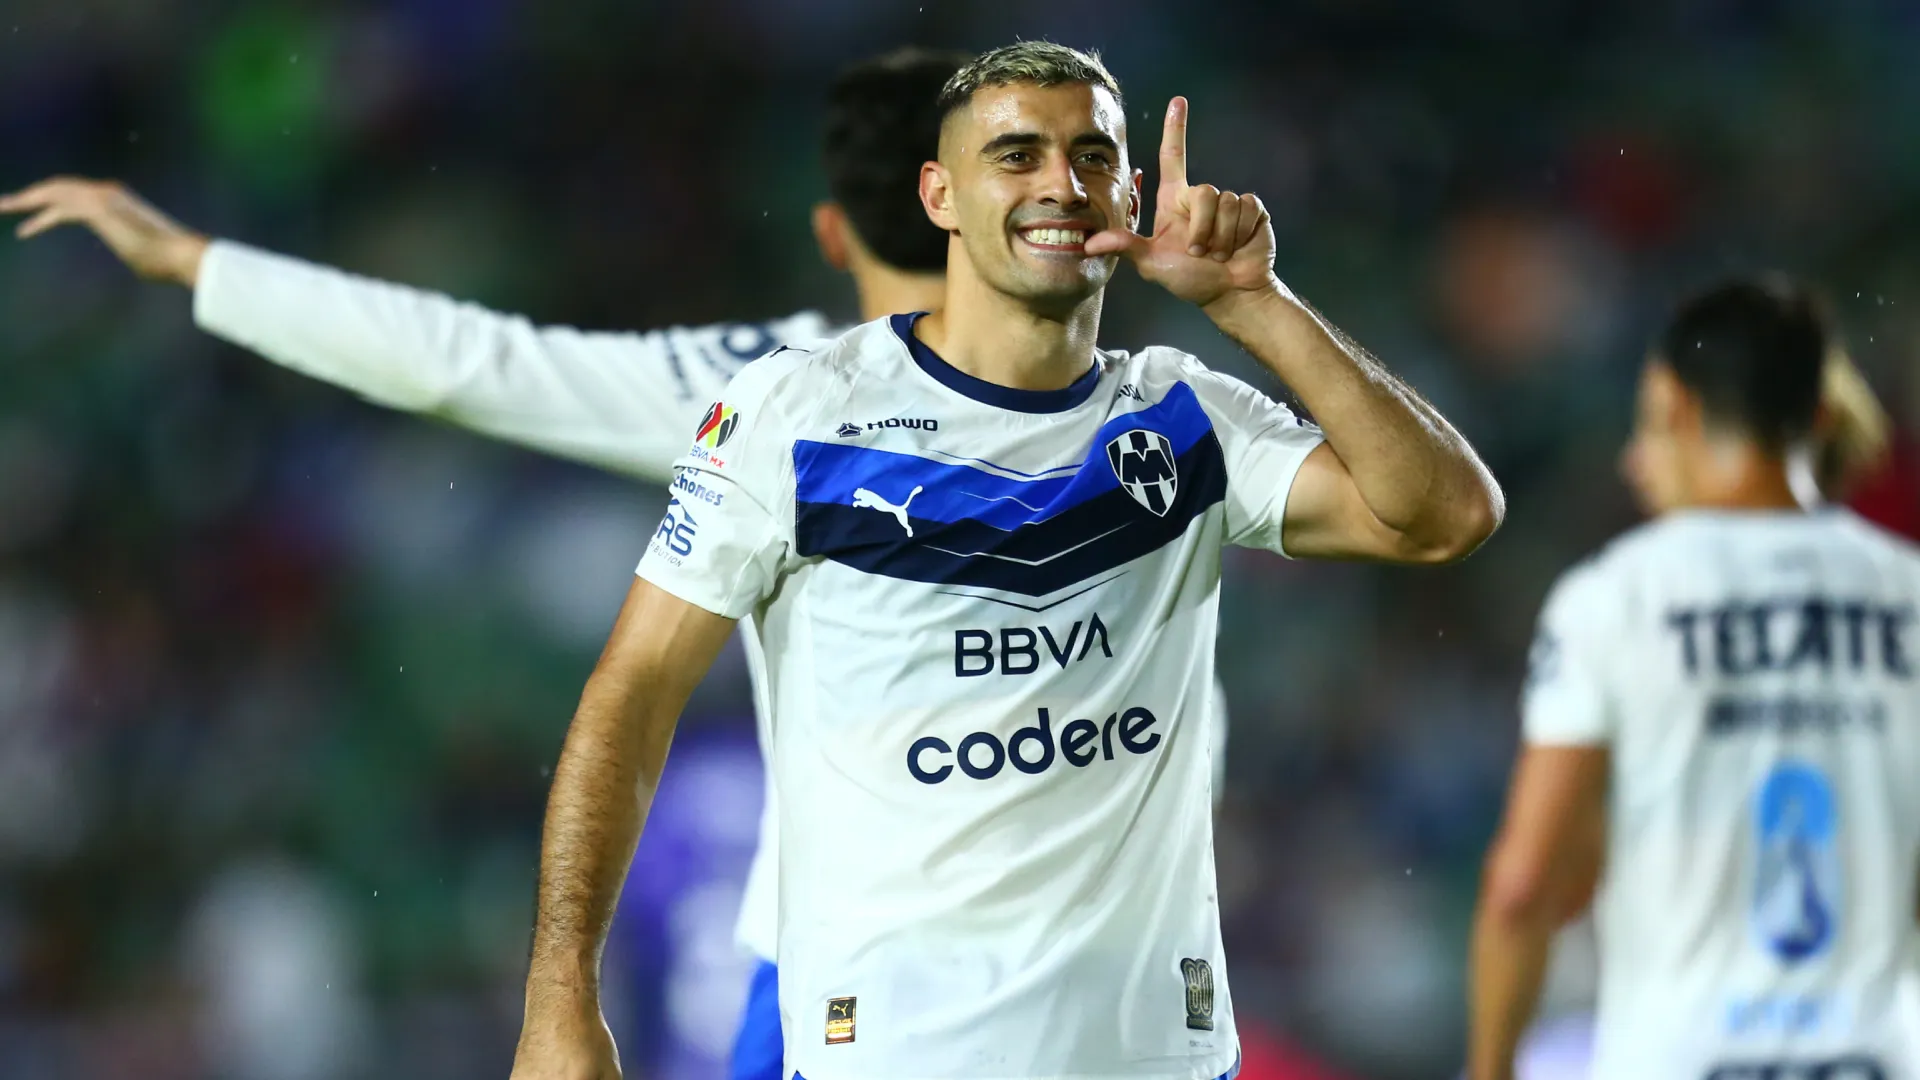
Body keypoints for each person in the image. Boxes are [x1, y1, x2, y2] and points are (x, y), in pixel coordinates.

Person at [511, 41, 1501, 1080]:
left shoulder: (1182, 412)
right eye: (1016, 155)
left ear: (1130, 187)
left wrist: (1255, 302)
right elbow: (633, 692)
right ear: (939, 195)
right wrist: (560, 997)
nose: (1061, 186)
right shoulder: (800, 414)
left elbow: (1441, 515)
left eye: (1092, 155)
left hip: (1152, 1057)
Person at [0, 46, 972, 1080]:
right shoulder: (1142, 407)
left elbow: (473, 360)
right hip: (996, 939)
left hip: (837, 955)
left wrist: (203, 264)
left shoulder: (768, 387)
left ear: (830, 231)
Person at [1468, 277, 1920, 1080]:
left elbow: (1524, 882)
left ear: (1675, 405)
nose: (1633, 462)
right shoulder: (1908, 593)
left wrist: (1491, 1068)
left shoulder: (1616, 598)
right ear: (1818, 417)